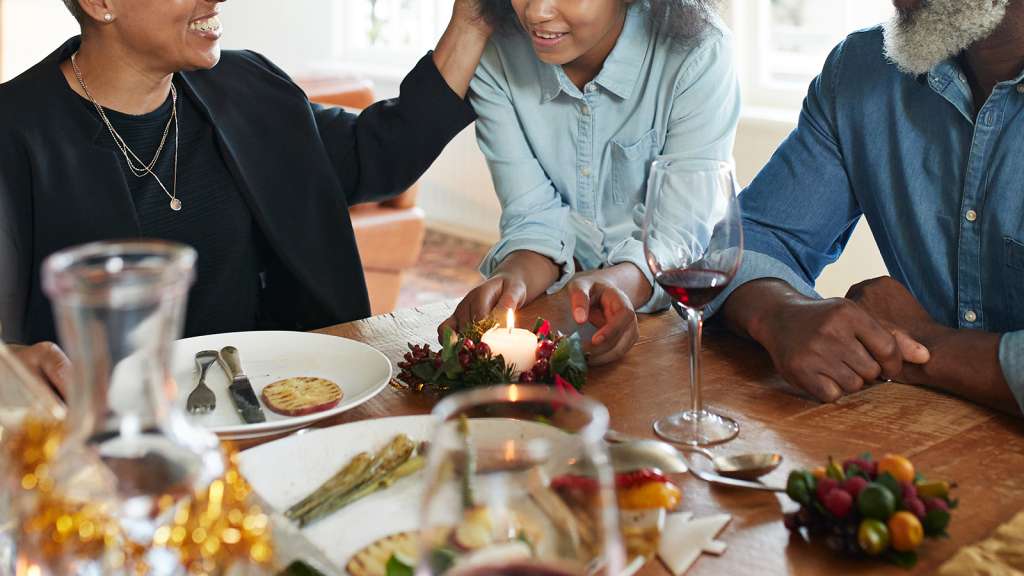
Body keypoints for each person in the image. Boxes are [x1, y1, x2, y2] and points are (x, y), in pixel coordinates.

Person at [0, 0, 492, 393]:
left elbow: (379, 153)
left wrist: (470, 23)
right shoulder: (14, 131)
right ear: (100, 3)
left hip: (276, 402)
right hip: (119, 443)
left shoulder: (247, 85)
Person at [713, 0, 1023, 416]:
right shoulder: (862, 69)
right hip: (916, 443)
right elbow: (751, 243)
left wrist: (928, 345)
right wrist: (780, 313)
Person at [440, 0, 739, 365]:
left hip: (686, 326)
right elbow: (532, 215)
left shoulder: (699, 51)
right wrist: (513, 277)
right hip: (562, 324)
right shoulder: (495, 55)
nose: (535, 12)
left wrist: (617, 285)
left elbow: (677, 237)